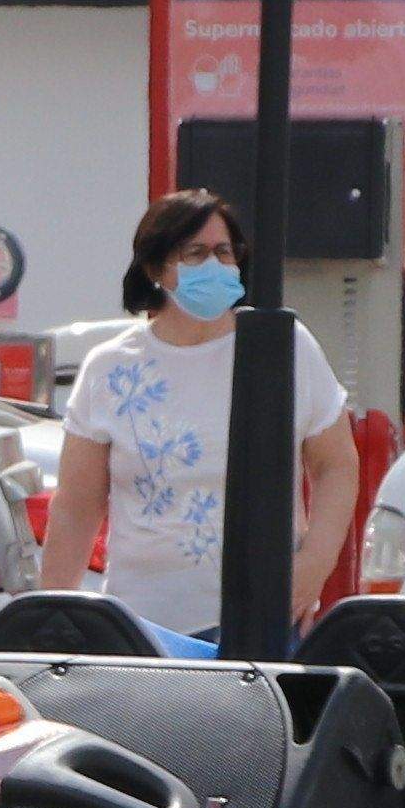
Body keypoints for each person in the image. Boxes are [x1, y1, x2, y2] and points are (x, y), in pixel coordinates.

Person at [40, 188, 361, 655]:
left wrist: (312, 566)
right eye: (195, 253)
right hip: (140, 630)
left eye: (224, 252)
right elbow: (76, 506)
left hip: (257, 622)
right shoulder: (110, 367)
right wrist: (52, 617)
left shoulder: (282, 347)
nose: (214, 265)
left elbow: (337, 466)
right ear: (156, 269)